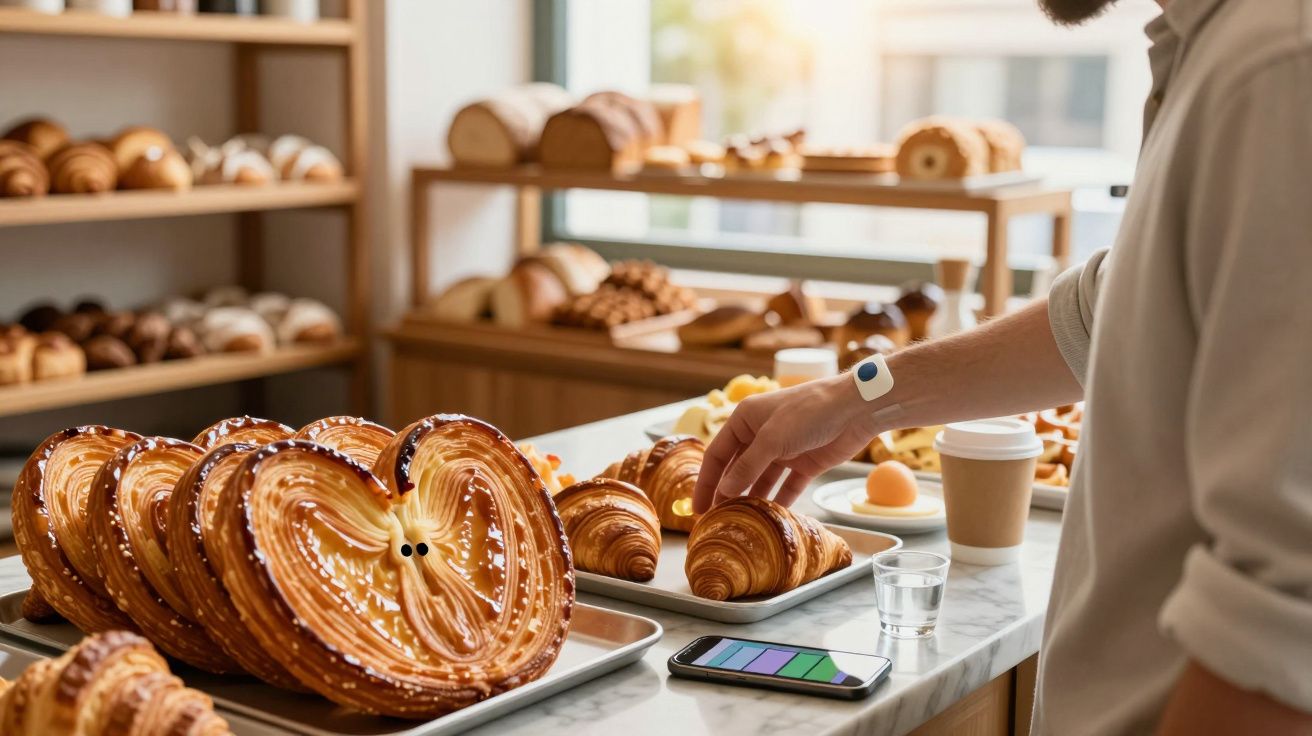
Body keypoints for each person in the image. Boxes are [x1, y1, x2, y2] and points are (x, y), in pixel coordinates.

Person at [692, 0, 1312, 732]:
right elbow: (1100, 315)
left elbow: (1283, 640)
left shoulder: (1280, 68)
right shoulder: (1211, 49)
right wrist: (856, 398)